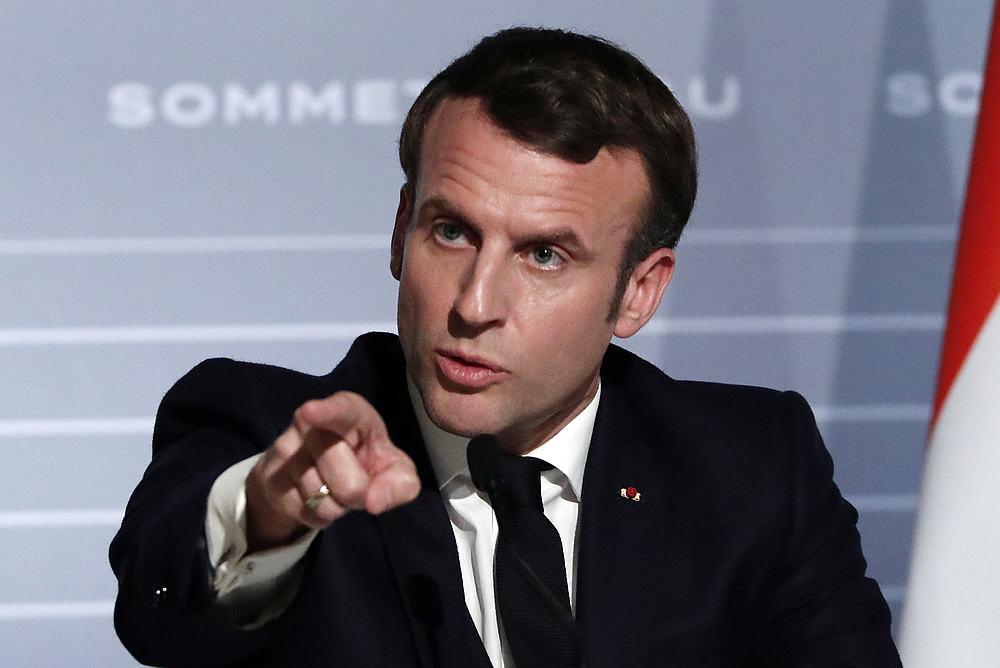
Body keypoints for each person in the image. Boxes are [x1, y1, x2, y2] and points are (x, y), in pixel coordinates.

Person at [110, 27, 901, 667]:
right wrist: (273, 515)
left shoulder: (754, 468)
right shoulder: (268, 433)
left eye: (544, 255)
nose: (474, 304)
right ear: (400, 231)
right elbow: (162, 613)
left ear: (639, 292)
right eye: (450, 232)